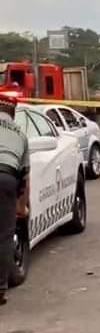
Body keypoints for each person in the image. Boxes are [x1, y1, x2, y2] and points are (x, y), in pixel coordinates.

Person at [0, 95, 30, 306]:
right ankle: (0, 290)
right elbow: (25, 177)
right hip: (6, 179)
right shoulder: (21, 135)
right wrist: (21, 207)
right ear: (13, 113)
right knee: (3, 237)